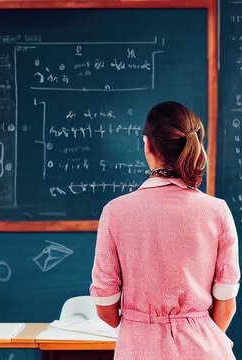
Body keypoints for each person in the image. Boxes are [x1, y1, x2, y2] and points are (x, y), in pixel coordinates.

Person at [90, 101, 240, 359]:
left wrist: (140, 323)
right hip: (205, 349)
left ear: (147, 144)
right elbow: (226, 305)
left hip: (140, 349)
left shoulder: (116, 212)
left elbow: (105, 308)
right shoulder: (217, 211)